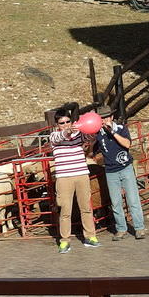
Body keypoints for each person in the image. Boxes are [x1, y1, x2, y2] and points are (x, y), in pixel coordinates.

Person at [50, 109, 100, 254]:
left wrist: (89, 123)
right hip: (64, 177)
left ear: (72, 121)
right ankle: (65, 240)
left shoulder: (80, 133)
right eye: (62, 123)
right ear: (57, 125)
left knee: (86, 207)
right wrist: (68, 132)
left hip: (81, 174)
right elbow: (60, 137)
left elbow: (91, 136)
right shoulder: (54, 136)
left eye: (68, 122)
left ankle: (90, 237)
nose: (65, 125)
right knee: (65, 210)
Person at [94, 105, 146, 240]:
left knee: (133, 199)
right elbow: (92, 152)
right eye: (102, 119)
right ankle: (121, 229)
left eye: (106, 117)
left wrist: (113, 133)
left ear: (111, 117)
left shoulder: (121, 129)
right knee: (116, 202)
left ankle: (139, 228)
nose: (104, 121)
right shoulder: (98, 134)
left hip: (125, 168)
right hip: (110, 171)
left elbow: (127, 144)